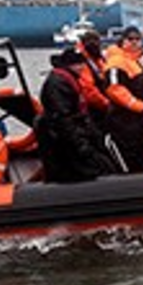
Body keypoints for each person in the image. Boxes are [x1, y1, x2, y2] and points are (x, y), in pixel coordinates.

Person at [35, 47, 117, 183]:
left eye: (82, 64)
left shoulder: (67, 80)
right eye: (79, 64)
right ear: (70, 65)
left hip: (70, 135)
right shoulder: (58, 84)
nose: (82, 68)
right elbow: (63, 118)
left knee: (103, 163)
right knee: (94, 168)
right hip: (62, 141)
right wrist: (81, 144)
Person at [104, 26, 143, 172]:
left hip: (140, 117)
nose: (135, 42)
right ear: (123, 41)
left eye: (137, 39)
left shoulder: (136, 61)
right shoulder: (116, 61)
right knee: (132, 151)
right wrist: (139, 105)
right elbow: (114, 89)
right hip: (124, 119)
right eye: (130, 39)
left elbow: (142, 83)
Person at [75, 29, 110, 128]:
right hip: (91, 111)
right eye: (91, 41)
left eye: (96, 41)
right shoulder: (81, 62)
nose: (94, 44)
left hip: (102, 108)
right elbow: (88, 90)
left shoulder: (99, 59)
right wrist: (107, 104)